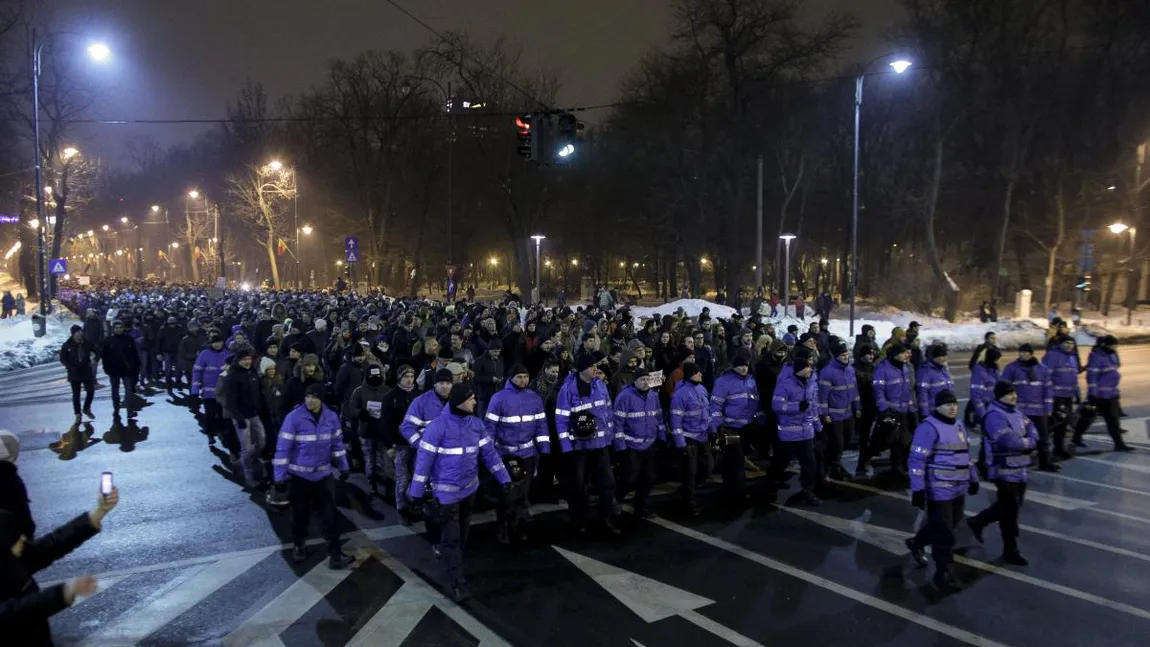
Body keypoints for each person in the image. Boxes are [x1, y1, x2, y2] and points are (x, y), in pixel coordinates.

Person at [408, 382, 510, 602]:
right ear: (459, 402)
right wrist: (415, 493)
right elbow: (423, 463)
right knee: (452, 539)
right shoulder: (437, 428)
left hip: (469, 491)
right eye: (471, 398)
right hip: (446, 497)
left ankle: (452, 562)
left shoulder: (476, 425)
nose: (475, 401)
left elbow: (489, 454)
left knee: (461, 536)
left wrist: (504, 479)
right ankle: (457, 583)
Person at [0, 477, 118, 646]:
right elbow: (13, 613)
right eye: (16, 538)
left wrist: (99, 511)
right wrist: (64, 592)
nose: (23, 540)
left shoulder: (12, 558)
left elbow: (49, 547)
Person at [272, 382, 355, 569]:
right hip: (300, 478)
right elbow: (283, 450)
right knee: (300, 515)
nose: (310, 400)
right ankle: (299, 545)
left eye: (314, 396)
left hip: (323, 476)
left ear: (321, 399)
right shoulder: (293, 418)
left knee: (330, 517)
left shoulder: (331, 417)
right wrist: (279, 478)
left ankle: (335, 554)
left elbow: (337, 445)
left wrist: (343, 466)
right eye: (308, 396)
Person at [905, 390, 978, 591]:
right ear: (937, 406)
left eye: (954, 403)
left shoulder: (959, 425)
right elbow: (916, 460)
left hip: (958, 488)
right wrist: (918, 489)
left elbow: (965, 455)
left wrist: (973, 478)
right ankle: (942, 573)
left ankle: (916, 542)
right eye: (947, 404)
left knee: (948, 525)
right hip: (939, 489)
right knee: (945, 532)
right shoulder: (928, 428)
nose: (952, 407)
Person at [968, 381, 1037, 566]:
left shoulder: (1016, 411)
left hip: (1020, 469)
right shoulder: (994, 415)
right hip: (1003, 471)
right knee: (1010, 513)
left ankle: (978, 521)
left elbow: (1033, 431)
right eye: (1008, 393)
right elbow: (1008, 442)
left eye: (1014, 392)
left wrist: (1028, 440)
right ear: (999, 396)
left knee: (1011, 507)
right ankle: (1010, 550)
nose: (1013, 396)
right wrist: (1028, 443)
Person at [484, 363, 549, 544]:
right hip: (506, 455)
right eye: (519, 377)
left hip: (528, 454)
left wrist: (544, 448)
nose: (523, 380)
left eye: (526, 377)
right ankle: (503, 528)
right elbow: (490, 427)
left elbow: (541, 425)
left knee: (522, 494)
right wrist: (490, 453)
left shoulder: (534, 399)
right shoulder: (498, 399)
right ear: (511, 378)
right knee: (507, 495)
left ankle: (517, 527)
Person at [556, 353, 619, 535]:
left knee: (607, 484)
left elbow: (607, 411)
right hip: (579, 449)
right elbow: (561, 419)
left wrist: (609, 438)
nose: (596, 369)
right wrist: (567, 446)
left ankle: (605, 519)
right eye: (592, 367)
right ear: (582, 369)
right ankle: (579, 522)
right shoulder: (567, 390)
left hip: (600, 446)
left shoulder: (599, 385)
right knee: (577, 487)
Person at [710, 354, 763, 505]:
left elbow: (757, 404)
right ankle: (736, 493)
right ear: (733, 366)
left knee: (736, 460)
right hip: (730, 428)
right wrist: (718, 425)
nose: (743, 368)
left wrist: (760, 420)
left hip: (748, 427)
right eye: (740, 365)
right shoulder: (723, 382)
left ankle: (733, 489)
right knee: (735, 461)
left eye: (746, 365)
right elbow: (715, 406)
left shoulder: (752, 381)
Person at [612, 368, 665, 519]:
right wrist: (620, 446)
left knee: (648, 478)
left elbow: (659, 419)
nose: (646, 382)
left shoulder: (654, 396)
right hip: (631, 445)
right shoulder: (624, 397)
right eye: (642, 380)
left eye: (647, 380)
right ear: (634, 381)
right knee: (629, 477)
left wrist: (661, 437)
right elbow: (618, 423)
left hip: (649, 444)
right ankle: (616, 499)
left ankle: (640, 506)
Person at [770, 355, 822, 506]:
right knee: (782, 461)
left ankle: (808, 490)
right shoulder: (785, 385)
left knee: (809, 463)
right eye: (808, 367)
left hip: (806, 432)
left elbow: (813, 407)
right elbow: (777, 406)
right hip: (789, 432)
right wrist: (796, 407)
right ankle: (770, 484)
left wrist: (818, 426)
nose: (811, 369)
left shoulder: (810, 385)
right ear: (800, 369)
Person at [858, 344, 915, 479]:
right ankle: (863, 461)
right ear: (895, 355)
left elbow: (908, 391)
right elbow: (878, 392)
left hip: (903, 412)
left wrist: (911, 409)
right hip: (889, 412)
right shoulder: (883, 369)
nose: (906, 355)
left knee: (901, 441)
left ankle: (896, 468)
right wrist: (884, 411)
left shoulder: (905, 368)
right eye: (902, 353)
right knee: (881, 441)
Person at [1001, 344, 1058, 472]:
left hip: (1039, 411)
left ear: (1031, 354)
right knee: (1020, 439)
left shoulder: (1042, 369)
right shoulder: (1011, 368)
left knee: (1043, 439)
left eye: (1025, 353)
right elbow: (1003, 388)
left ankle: (1045, 462)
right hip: (1020, 412)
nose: (1022, 355)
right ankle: (1020, 463)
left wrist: (1049, 407)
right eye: (1020, 352)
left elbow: (1048, 389)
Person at [670, 361, 714, 515]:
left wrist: (712, 429)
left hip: (702, 437)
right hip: (688, 439)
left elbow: (706, 412)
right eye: (697, 372)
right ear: (690, 375)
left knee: (708, 467)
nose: (700, 374)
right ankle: (689, 503)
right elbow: (675, 421)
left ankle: (685, 491)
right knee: (690, 473)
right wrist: (680, 443)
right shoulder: (680, 395)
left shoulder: (701, 389)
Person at [1072, 335, 1131, 451]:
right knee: (1088, 418)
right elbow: (1092, 376)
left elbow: (1115, 369)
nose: (1114, 348)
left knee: (1113, 420)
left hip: (1110, 395)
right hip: (1099, 395)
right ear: (1105, 345)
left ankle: (1119, 444)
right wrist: (1093, 394)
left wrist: (1115, 391)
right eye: (1112, 345)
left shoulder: (1111, 355)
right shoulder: (1096, 357)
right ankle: (1077, 436)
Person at [219, 345, 266, 489]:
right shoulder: (232, 376)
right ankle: (249, 477)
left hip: (254, 414)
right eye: (244, 359)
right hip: (241, 416)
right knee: (246, 447)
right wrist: (238, 418)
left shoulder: (252, 372)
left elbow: (258, 392)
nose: (247, 362)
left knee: (262, 441)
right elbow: (230, 401)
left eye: (249, 359)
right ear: (238, 360)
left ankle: (240, 463)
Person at [817, 340, 860, 482]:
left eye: (847, 355)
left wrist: (857, 407)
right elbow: (822, 396)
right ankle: (831, 466)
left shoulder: (850, 370)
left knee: (847, 441)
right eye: (842, 356)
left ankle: (834, 463)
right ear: (835, 356)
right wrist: (825, 414)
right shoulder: (827, 372)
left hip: (847, 413)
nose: (846, 358)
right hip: (834, 416)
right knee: (837, 443)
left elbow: (854, 391)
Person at [348, 364, 391, 495]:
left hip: (383, 431)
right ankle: (372, 483)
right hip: (367, 430)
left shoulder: (387, 390)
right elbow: (351, 408)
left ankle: (388, 486)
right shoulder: (359, 391)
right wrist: (360, 413)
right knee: (370, 460)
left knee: (386, 461)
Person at [191, 332, 233, 449]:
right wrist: (195, 391)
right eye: (215, 342)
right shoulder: (204, 354)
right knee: (210, 413)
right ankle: (210, 434)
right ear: (211, 343)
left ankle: (222, 432)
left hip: (224, 392)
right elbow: (197, 372)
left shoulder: (228, 354)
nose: (217, 345)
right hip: (209, 392)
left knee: (222, 414)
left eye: (219, 342)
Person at [1042, 335, 1079, 459]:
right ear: (1060, 344)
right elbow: (1045, 375)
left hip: (1067, 395)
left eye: (1071, 343)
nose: (1069, 345)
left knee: (1063, 424)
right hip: (1056, 396)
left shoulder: (1072, 357)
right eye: (1066, 343)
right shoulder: (1053, 355)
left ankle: (1059, 448)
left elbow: (1073, 376)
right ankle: (1041, 447)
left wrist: (1076, 392)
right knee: (1053, 423)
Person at [101, 320, 142, 417]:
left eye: (120, 327)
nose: (119, 329)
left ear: (123, 328)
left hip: (127, 370)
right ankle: (116, 409)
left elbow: (134, 354)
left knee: (128, 391)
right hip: (113, 370)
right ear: (113, 329)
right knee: (115, 391)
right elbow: (105, 356)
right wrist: (106, 368)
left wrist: (136, 366)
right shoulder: (108, 341)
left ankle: (129, 411)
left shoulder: (129, 339)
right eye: (116, 328)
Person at [59, 325, 98, 424]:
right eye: (78, 332)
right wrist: (70, 367)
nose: (80, 333)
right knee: (76, 394)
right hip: (74, 372)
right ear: (74, 333)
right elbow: (63, 358)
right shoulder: (67, 344)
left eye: (81, 331)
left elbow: (97, 351)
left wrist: (95, 359)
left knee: (91, 390)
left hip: (86, 370)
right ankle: (77, 414)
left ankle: (86, 408)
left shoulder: (86, 343)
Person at [916, 343, 955, 420]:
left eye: (945, 355)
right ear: (934, 357)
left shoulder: (943, 369)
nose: (944, 358)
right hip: (933, 412)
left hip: (945, 410)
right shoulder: (925, 371)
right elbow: (922, 394)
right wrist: (925, 413)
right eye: (942, 356)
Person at [969, 346, 1001, 427]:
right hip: (984, 409)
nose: (999, 361)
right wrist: (983, 415)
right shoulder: (979, 371)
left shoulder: (995, 370)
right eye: (998, 359)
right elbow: (976, 395)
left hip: (993, 408)